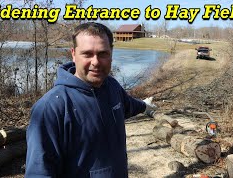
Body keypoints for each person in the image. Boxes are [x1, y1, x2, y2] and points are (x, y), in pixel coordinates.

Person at [26, 22, 156, 178]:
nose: (95, 62)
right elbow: (39, 173)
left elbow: (128, 105)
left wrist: (145, 106)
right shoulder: (51, 108)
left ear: (111, 53)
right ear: (73, 54)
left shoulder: (112, 86)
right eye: (87, 54)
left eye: (102, 54)